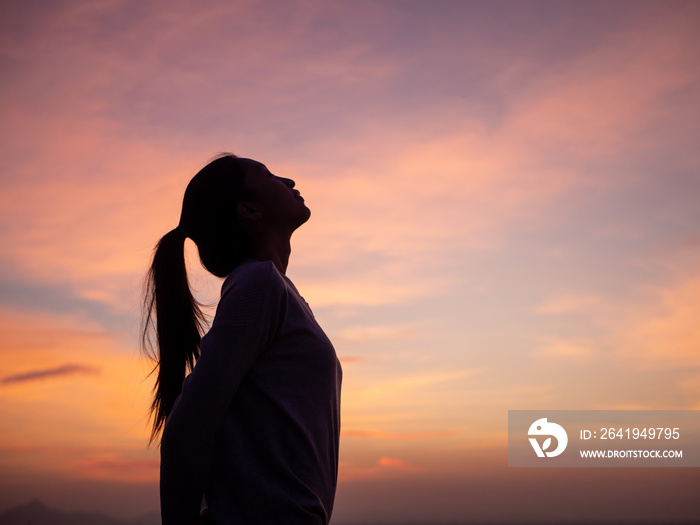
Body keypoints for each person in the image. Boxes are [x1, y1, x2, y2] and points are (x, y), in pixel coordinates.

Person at [142, 154, 342, 525]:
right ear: (249, 210)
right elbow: (187, 425)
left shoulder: (276, 290)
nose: (288, 179)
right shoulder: (259, 284)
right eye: (267, 174)